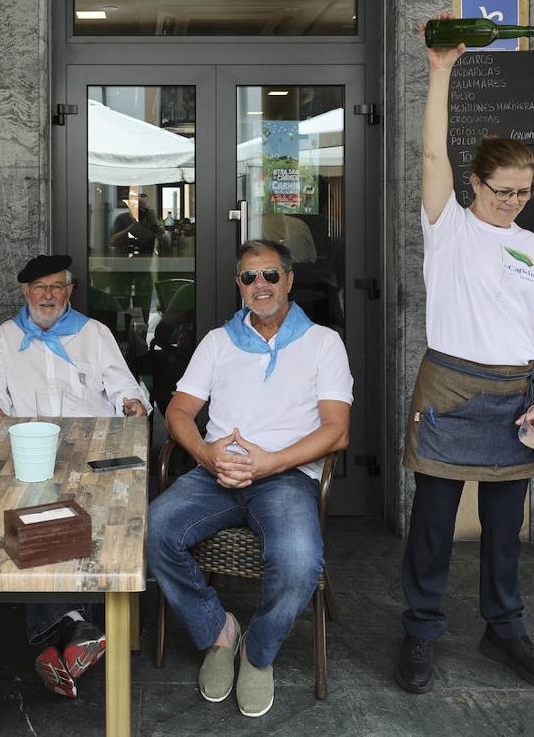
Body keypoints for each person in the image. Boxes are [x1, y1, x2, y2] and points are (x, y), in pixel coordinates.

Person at [395, 15, 534, 696]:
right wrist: (440, 71)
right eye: (502, 191)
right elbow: (431, 157)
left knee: (504, 526)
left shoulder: (532, 245)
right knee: (433, 525)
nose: (512, 203)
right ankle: (420, 630)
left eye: (523, 192)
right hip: (450, 388)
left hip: (513, 394)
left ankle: (506, 629)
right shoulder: (449, 228)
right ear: (474, 183)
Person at [146, 239, 352, 718]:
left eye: (270, 276)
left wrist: (271, 462)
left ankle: (257, 653)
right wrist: (205, 453)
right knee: (154, 529)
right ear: (239, 285)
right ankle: (218, 632)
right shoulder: (218, 342)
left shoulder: (323, 342)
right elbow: (179, 411)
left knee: (300, 560)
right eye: (249, 277)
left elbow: (337, 432)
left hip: (285, 477)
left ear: (289, 281)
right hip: (214, 474)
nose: (260, 286)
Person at [0, 253, 150, 698]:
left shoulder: (94, 334)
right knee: (36, 517)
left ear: (69, 292)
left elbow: (125, 387)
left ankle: (56, 642)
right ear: (25, 293)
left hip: (93, 453)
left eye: (57, 287)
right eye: (39, 288)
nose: (48, 295)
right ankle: (80, 628)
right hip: (33, 453)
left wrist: (132, 405)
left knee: (89, 522)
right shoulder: (8, 336)